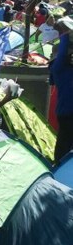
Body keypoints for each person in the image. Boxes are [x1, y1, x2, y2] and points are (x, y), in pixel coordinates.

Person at [50, 18, 73, 161]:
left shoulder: (67, 69)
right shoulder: (57, 69)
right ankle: (58, 168)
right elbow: (63, 52)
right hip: (67, 114)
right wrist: (64, 35)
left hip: (67, 112)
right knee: (63, 148)